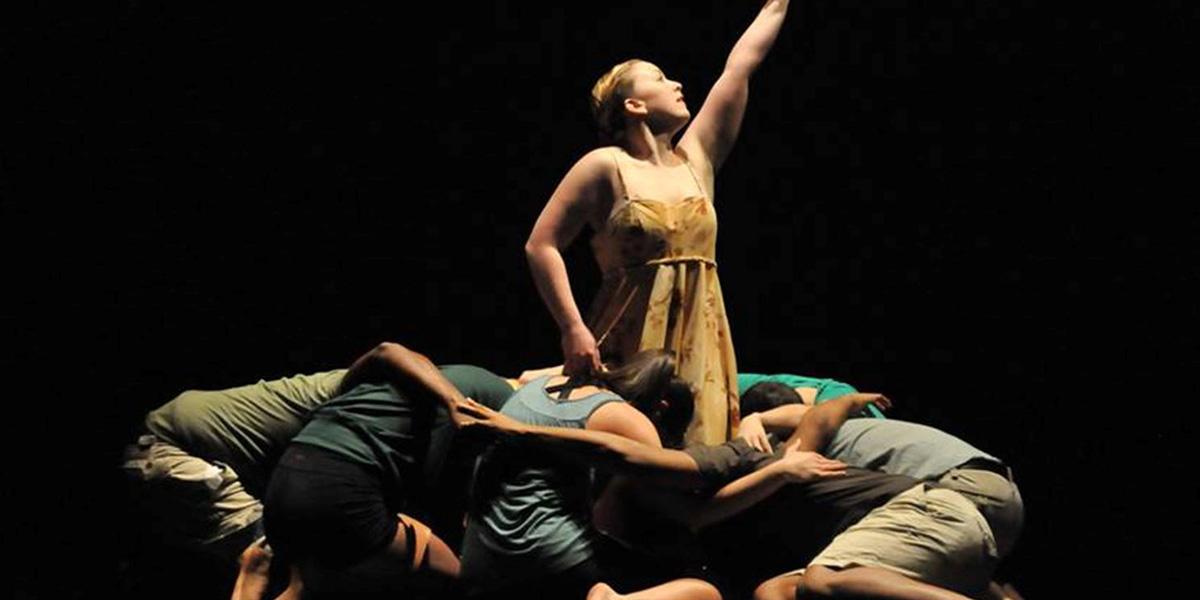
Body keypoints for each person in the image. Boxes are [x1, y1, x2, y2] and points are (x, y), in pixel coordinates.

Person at [526, 0, 794, 445]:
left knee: (696, 455)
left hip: (701, 337)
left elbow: (739, 68)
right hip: (631, 339)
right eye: (658, 78)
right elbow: (541, 245)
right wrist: (572, 327)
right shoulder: (605, 166)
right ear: (632, 104)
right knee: (632, 455)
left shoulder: (697, 160)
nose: (676, 84)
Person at [120, 343, 512, 599]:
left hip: (185, 442)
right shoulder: (342, 395)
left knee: (306, 565)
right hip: (168, 452)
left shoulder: (357, 398)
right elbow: (390, 352)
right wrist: (454, 401)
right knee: (270, 561)